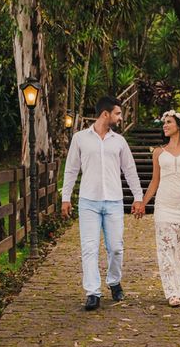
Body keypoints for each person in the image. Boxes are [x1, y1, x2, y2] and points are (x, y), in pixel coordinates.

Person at [61, 96, 144, 311]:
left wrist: (138, 197)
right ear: (105, 114)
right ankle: (92, 292)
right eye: (117, 113)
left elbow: (130, 170)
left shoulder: (119, 141)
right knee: (89, 247)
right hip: (88, 201)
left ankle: (114, 281)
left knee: (116, 248)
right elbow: (71, 169)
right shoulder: (80, 138)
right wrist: (66, 198)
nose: (120, 117)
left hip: (114, 201)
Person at [137, 110, 180, 307]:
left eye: (168, 122)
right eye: (164, 123)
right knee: (166, 250)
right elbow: (154, 181)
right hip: (164, 206)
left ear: (179, 125)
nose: (164, 125)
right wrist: (143, 203)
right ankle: (172, 292)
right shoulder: (159, 152)